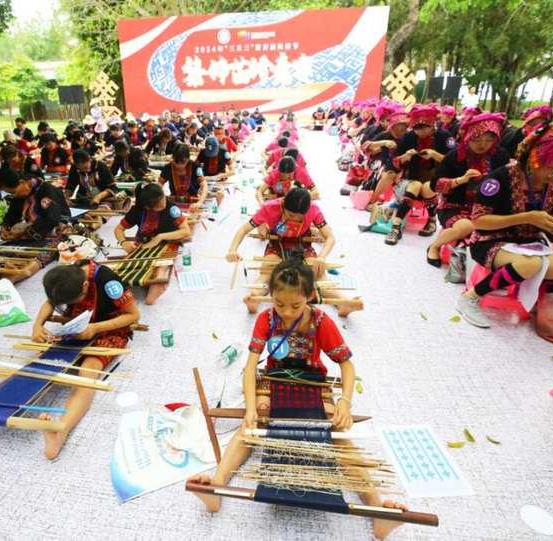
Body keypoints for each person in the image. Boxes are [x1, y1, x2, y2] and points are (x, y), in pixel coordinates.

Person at [188, 249, 405, 538]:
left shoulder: (320, 322)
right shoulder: (266, 318)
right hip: (274, 376)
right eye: (279, 303)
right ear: (271, 296)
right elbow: (252, 363)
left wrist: (344, 402)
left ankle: (377, 511)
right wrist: (250, 410)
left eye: (296, 305)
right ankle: (216, 487)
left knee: (333, 428)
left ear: (310, 296)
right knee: (253, 425)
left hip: (312, 380)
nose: (287, 312)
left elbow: (347, 365)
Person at [456, 124, 553, 328]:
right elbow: (478, 220)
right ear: (536, 158)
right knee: (530, 264)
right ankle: (469, 297)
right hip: (490, 239)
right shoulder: (501, 178)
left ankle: (540, 305)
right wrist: (528, 218)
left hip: (529, 241)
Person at [22, 261, 140, 459]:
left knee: (87, 372)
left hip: (109, 327)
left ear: (86, 286)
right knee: (38, 362)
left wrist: (94, 328)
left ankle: (60, 433)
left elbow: (133, 315)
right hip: (76, 326)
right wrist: (37, 325)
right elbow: (49, 303)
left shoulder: (108, 281)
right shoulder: (66, 274)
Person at [226, 187, 362, 316]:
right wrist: (232, 250)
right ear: (283, 204)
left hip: (302, 244)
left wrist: (322, 257)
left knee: (317, 272)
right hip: (277, 242)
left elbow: (330, 237)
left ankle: (344, 302)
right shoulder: (270, 207)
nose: (295, 219)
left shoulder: (313, 209)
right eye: (290, 214)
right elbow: (243, 229)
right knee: (268, 271)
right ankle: (254, 296)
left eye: (299, 216)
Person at [426, 113, 509, 266]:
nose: (483, 144)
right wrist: (460, 180)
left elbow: (509, 183)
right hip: (454, 206)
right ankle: (434, 246)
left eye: (489, 139)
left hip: (488, 210)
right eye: (477, 139)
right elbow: (434, 184)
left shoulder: (500, 156)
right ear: (468, 137)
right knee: (466, 226)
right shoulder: (455, 155)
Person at [383, 104, 455, 245]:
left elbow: (454, 161)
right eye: (416, 128)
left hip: (433, 182)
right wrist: (404, 157)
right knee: (416, 185)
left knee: (427, 187)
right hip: (408, 182)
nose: (419, 132)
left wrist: (435, 155)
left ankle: (432, 220)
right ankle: (396, 226)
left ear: (432, 124)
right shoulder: (409, 137)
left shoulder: (444, 136)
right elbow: (393, 162)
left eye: (423, 128)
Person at [114, 182, 191, 304]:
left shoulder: (171, 208)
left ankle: (158, 280)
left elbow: (186, 232)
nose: (164, 204)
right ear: (148, 208)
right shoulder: (137, 210)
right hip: (144, 243)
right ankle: (142, 279)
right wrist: (123, 242)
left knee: (160, 264)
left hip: (167, 241)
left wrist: (160, 237)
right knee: (133, 264)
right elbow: (118, 229)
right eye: (160, 205)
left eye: (164, 200)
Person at [0, 169, 70, 242]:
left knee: (56, 231)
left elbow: (52, 218)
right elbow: (12, 213)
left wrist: (24, 231)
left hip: (56, 222)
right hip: (36, 224)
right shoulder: (21, 194)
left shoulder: (47, 190)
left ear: (21, 182)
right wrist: (4, 227)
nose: (13, 195)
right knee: (14, 229)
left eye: (13, 192)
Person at [159, 144, 211, 213]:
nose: (179, 165)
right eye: (176, 162)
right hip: (174, 205)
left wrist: (200, 202)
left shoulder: (195, 167)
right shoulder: (167, 168)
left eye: (183, 162)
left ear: (188, 158)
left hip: (193, 204)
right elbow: (159, 185)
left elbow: (204, 186)